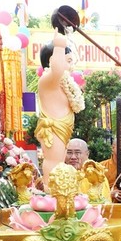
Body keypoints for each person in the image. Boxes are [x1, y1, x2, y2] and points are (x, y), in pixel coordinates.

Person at [35, 29, 85, 189]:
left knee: (59, 162)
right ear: (52, 60)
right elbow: (57, 69)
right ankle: (50, 192)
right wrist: (59, 45)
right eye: (68, 60)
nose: (71, 66)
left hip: (62, 128)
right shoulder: (48, 79)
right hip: (53, 128)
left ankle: (59, 190)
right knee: (53, 161)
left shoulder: (63, 83)